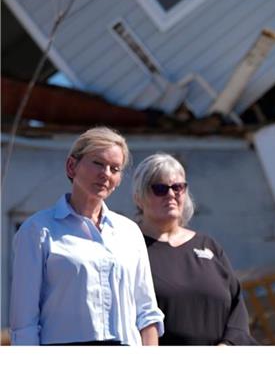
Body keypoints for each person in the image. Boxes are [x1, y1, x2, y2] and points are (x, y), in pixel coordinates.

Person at [9, 126, 164, 345]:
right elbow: (24, 322)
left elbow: (147, 312)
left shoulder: (130, 232)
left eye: (115, 168)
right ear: (72, 166)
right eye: (98, 163)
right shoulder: (37, 230)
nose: (106, 174)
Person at [133, 153, 257, 345]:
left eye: (178, 187)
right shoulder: (129, 247)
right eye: (159, 188)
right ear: (139, 197)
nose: (171, 194)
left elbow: (237, 309)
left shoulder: (209, 246)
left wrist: (228, 345)